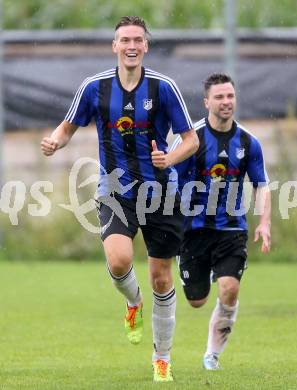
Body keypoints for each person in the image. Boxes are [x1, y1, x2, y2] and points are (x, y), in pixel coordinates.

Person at [41, 16, 198, 382]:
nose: (131, 45)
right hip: (115, 190)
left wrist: (169, 159)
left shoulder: (164, 87)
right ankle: (133, 303)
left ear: (146, 46)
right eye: (124, 39)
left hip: (161, 192)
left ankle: (161, 359)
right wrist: (54, 142)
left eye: (137, 40)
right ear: (114, 46)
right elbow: (67, 128)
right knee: (118, 261)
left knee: (161, 278)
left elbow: (190, 139)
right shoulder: (95, 87)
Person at [171, 73, 271, 370]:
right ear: (206, 102)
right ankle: (189, 269)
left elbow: (261, 184)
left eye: (230, 96)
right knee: (197, 300)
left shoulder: (248, 142)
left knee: (229, 288)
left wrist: (264, 222)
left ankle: (212, 355)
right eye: (219, 97)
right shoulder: (191, 140)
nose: (226, 102)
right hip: (194, 231)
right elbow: (172, 183)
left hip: (232, 229)